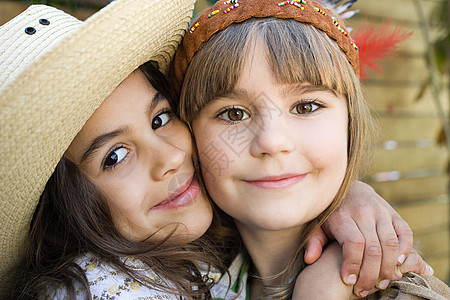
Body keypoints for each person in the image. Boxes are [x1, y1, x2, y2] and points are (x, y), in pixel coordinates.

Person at [0, 0, 431, 299]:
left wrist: (350, 193)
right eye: (233, 115)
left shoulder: (210, 258)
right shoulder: (102, 286)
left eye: (160, 119)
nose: (272, 141)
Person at [172, 0, 450, 298]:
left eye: (306, 106)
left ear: (349, 124)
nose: (271, 141)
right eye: (234, 114)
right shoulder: (174, 281)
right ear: (189, 136)